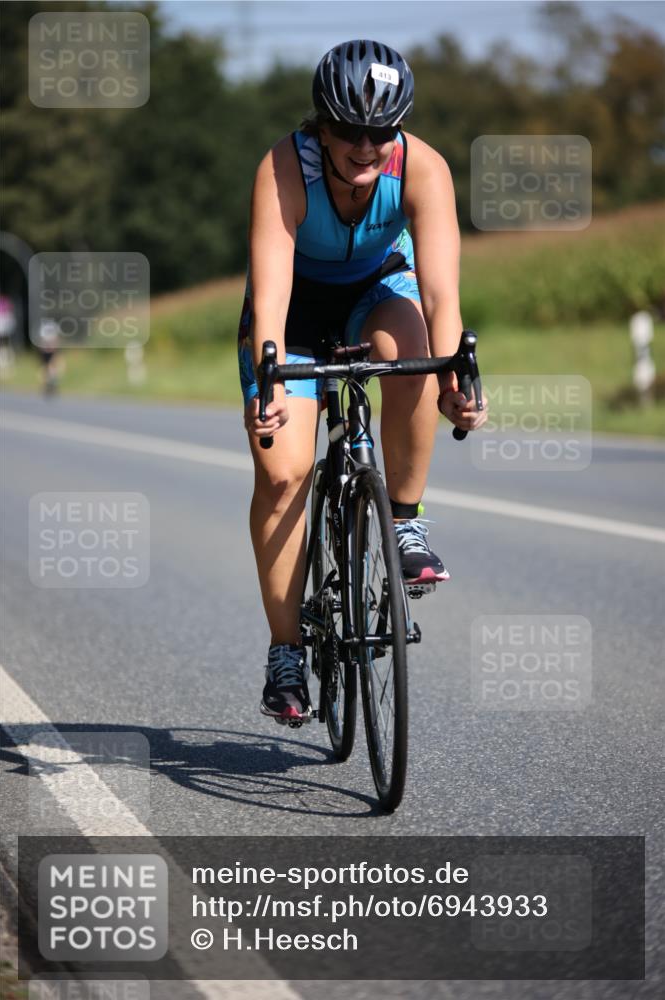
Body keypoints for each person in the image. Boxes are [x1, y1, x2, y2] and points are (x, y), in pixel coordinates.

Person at [238, 39, 487, 725]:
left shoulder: (422, 168)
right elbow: (271, 289)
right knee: (283, 473)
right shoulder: (285, 166)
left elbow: (439, 295)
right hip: (292, 310)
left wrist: (458, 382)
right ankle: (285, 651)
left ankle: (404, 521)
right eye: (349, 129)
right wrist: (270, 384)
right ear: (321, 122)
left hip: (375, 291)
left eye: (382, 130)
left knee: (411, 353)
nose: (366, 145)